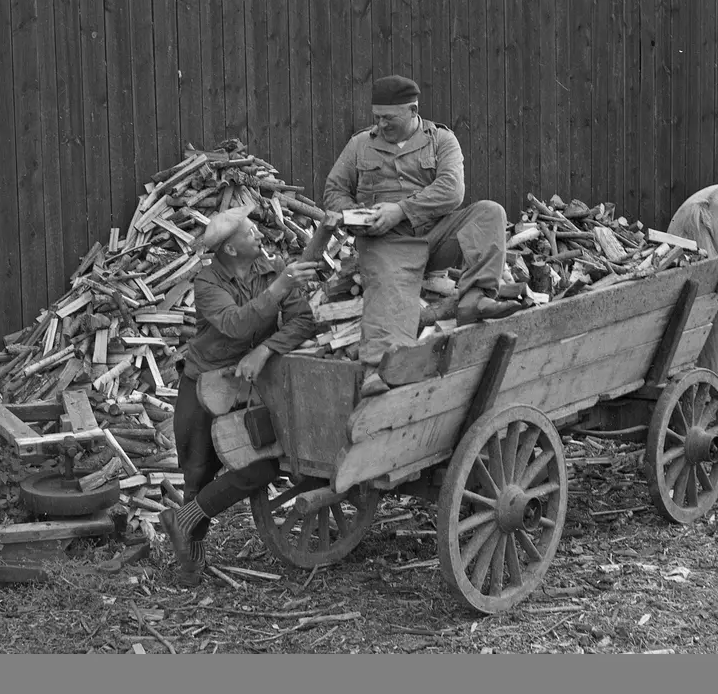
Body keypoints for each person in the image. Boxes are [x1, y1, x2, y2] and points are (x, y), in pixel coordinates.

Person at [323, 74, 520, 397]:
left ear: (413, 110)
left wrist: (401, 210)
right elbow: (334, 191)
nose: (381, 124)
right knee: (386, 285)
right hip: (386, 242)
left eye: (389, 118)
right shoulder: (360, 145)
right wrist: (358, 217)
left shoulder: (441, 140)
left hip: (437, 235)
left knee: (490, 213)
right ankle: (379, 368)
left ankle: (474, 299)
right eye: (377, 117)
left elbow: (452, 190)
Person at [157, 204, 319, 587]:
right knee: (198, 474)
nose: (259, 234)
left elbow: (304, 321)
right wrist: (280, 289)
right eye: (249, 232)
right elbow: (235, 324)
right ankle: (191, 561)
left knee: (262, 467)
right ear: (230, 248)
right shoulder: (207, 283)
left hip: (250, 388)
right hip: (203, 386)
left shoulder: (273, 268)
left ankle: (182, 521)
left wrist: (265, 350)